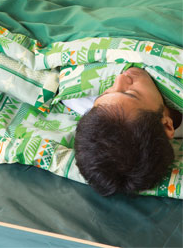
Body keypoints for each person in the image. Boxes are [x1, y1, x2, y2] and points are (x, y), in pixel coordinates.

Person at [73, 66, 181, 196]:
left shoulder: (80, 100)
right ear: (167, 126)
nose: (120, 78)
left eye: (105, 93)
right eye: (131, 93)